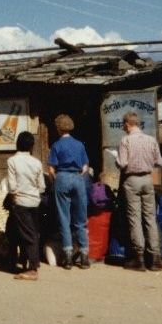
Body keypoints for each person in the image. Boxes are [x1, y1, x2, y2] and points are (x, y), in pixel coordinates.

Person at [115, 112, 162, 272]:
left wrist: (116, 159)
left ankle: (139, 258)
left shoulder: (125, 140)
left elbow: (122, 163)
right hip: (147, 179)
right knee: (150, 217)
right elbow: (159, 162)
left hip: (132, 181)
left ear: (127, 124)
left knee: (134, 218)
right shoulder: (151, 140)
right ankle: (156, 258)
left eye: (123, 124)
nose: (123, 127)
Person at [47, 114, 91, 270]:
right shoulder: (79, 145)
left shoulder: (56, 145)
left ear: (58, 128)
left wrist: (56, 180)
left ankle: (67, 256)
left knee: (64, 219)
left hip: (62, 178)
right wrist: (78, 177)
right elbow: (85, 167)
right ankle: (85, 256)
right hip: (78, 179)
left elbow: (51, 169)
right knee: (80, 219)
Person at [6, 132, 45, 281]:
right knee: (27, 231)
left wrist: (16, 196)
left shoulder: (12, 161)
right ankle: (23, 261)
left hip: (20, 202)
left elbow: (12, 186)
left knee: (27, 235)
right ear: (31, 146)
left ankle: (33, 268)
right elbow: (41, 186)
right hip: (34, 202)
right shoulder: (37, 163)